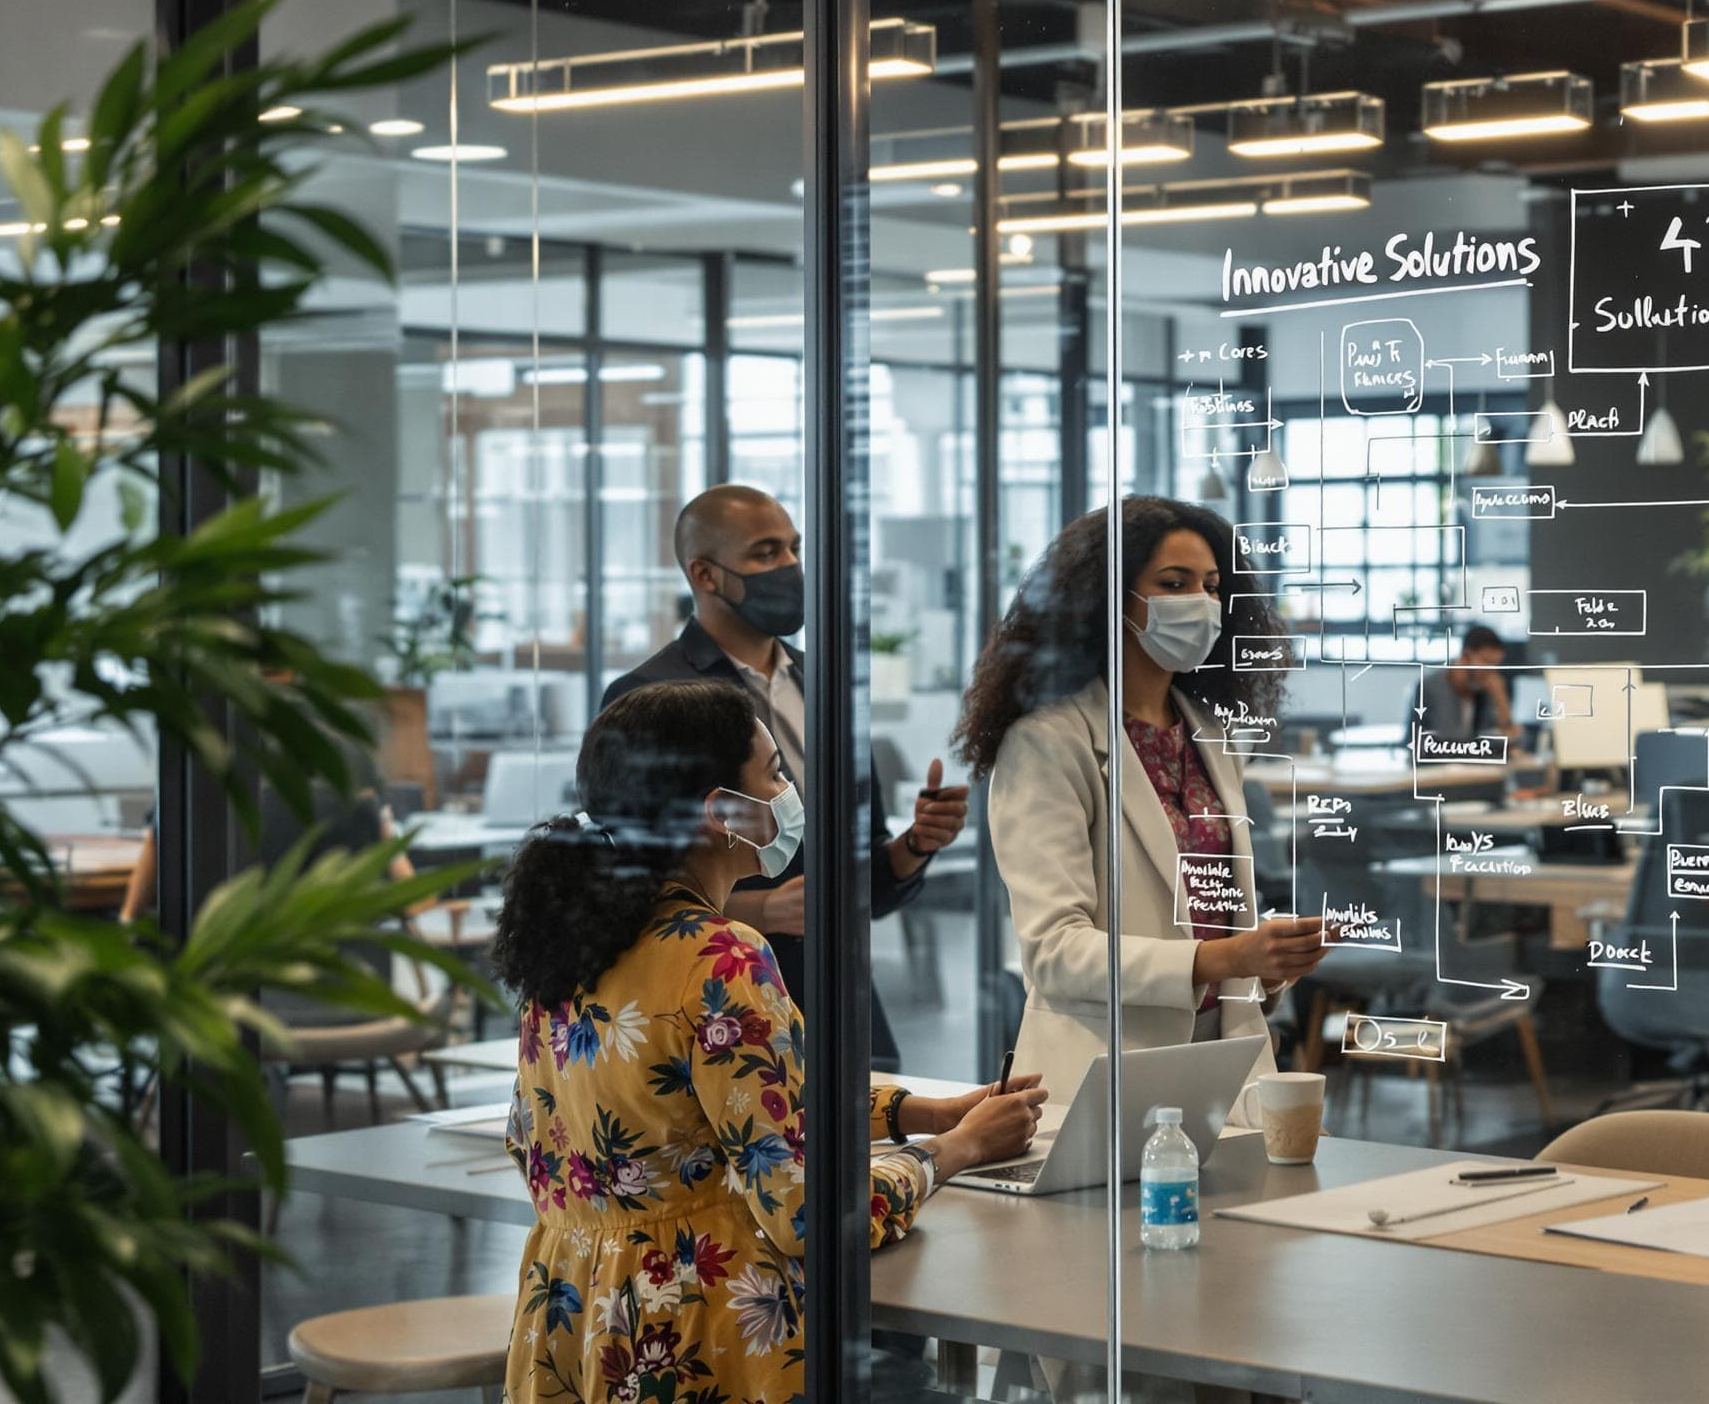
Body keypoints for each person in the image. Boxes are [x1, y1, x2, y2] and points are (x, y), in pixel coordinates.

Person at [491, 680, 1045, 1403]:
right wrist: (954, 1150)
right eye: (776, 773)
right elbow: (808, 1214)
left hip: (579, 1321)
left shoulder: (568, 946)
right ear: (721, 812)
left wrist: (923, 1113)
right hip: (696, 1335)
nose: (790, 793)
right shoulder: (721, 959)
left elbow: (573, 1137)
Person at [952, 496, 1331, 1112]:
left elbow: (1211, 916)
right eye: (1174, 584)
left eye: (1211, 586)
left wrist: (1267, 963)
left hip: (1223, 1060)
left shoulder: (1211, 733)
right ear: (1108, 599)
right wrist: (1224, 956)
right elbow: (1054, 952)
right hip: (1106, 1068)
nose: (1201, 603)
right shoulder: (1049, 741)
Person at [603, 483, 967, 1072]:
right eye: (766, 553)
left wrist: (915, 844)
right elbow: (629, 889)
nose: (791, 566)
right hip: (716, 1008)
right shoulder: (650, 697)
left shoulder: (829, 683)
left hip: (843, 1008)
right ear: (705, 574)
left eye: (794, 548)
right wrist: (762, 910)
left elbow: (862, 882)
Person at [1411, 624, 1514, 743]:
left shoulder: (1485, 691)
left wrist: (1501, 701)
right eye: (1486, 662)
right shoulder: (1431, 688)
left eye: (1495, 665)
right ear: (1465, 657)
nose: (1491, 672)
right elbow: (1446, 739)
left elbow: (1509, 738)